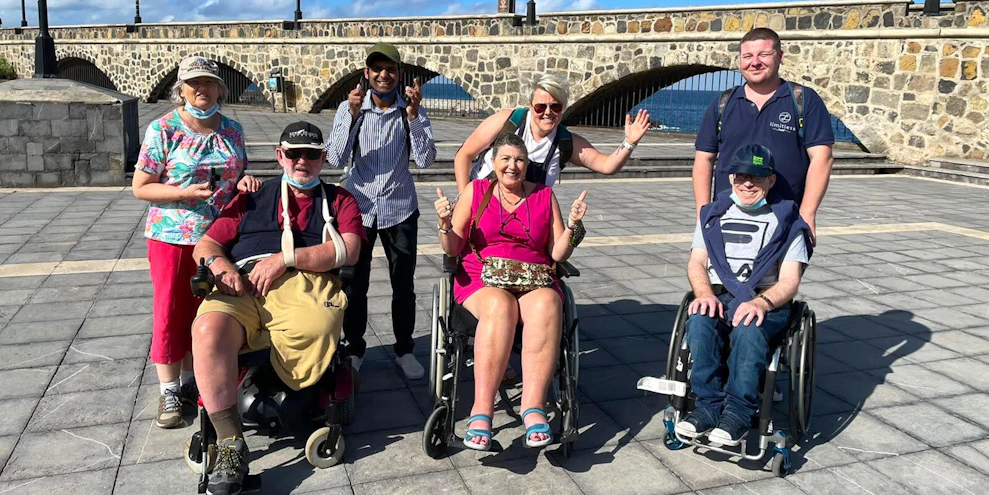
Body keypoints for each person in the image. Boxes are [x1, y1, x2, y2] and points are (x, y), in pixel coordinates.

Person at [190, 121, 364, 495]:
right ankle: (230, 443)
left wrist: (284, 259)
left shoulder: (339, 200)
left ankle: (297, 388)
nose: (302, 161)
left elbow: (349, 250)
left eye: (311, 154)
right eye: (294, 153)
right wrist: (221, 268)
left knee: (316, 324)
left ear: (323, 158)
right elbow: (206, 245)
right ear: (279, 156)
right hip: (243, 279)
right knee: (207, 329)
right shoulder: (252, 197)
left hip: (304, 280)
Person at [434, 132, 588, 451]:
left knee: (548, 303)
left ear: (527, 164)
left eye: (519, 160)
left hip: (533, 277)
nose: (512, 166)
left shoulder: (544, 195)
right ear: (493, 163)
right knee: (500, 305)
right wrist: (445, 225)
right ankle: (482, 410)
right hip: (482, 276)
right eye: (505, 159)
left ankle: (533, 407)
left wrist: (574, 228)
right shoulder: (476, 191)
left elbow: (558, 253)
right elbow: (453, 248)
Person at [131, 56, 260, 431]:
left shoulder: (233, 130)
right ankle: (169, 389)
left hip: (221, 237)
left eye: (208, 82)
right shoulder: (164, 129)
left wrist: (244, 182)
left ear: (220, 89)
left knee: (208, 310)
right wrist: (183, 192)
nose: (201, 89)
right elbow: (141, 187)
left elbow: (237, 173)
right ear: (181, 90)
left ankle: (193, 382)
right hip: (174, 237)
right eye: (193, 83)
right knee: (171, 310)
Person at [676, 143, 811, 447]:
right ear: (731, 178)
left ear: (771, 180)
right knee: (699, 321)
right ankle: (708, 406)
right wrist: (704, 293)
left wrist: (761, 302)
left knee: (749, 328)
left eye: (757, 177)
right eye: (742, 176)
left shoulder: (788, 223)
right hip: (719, 294)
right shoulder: (711, 216)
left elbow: (790, 280)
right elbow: (696, 262)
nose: (748, 183)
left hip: (765, 298)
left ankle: (738, 413)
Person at [325, 42, 437, 380]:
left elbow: (426, 160)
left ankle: (404, 349)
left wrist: (415, 117)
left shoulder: (411, 109)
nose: (383, 75)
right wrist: (351, 116)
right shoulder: (350, 108)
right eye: (377, 69)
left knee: (403, 284)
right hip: (358, 207)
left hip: (399, 207)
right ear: (367, 73)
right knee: (354, 284)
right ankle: (354, 348)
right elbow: (335, 158)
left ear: (399, 73)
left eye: (390, 69)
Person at [692, 27, 834, 244]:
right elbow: (704, 158)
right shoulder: (723, 103)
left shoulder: (804, 100)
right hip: (727, 217)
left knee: (785, 269)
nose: (755, 62)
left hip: (784, 219)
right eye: (747, 56)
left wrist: (807, 214)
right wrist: (703, 213)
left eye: (764, 54)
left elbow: (822, 157)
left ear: (780, 56)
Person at [454, 72, 650, 193]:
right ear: (531, 106)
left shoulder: (565, 142)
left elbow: (607, 165)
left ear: (563, 108)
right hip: (482, 205)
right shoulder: (508, 122)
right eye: (541, 107)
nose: (548, 113)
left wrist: (629, 143)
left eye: (555, 107)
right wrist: (464, 200)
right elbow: (464, 154)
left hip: (524, 217)